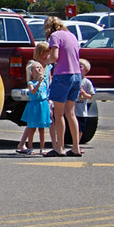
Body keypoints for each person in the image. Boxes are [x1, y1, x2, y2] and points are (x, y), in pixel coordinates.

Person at [44, 16, 83, 157]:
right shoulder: (71, 35)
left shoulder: (55, 36)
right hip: (76, 75)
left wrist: (45, 62)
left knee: (58, 114)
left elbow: (54, 56)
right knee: (71, 113)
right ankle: (75, 147)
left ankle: (59, 147)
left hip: (63, 76)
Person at [16, 43, 52, 155]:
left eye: (48, 53)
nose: (46, 56)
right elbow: (30, 82)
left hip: (44, 97)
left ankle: (50, 145)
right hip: (35, 98)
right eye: (44, 53)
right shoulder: (33, 66)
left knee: (46, 123)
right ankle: (23, 144)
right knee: (31, 124)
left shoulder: (48, 66)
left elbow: (49, 80)